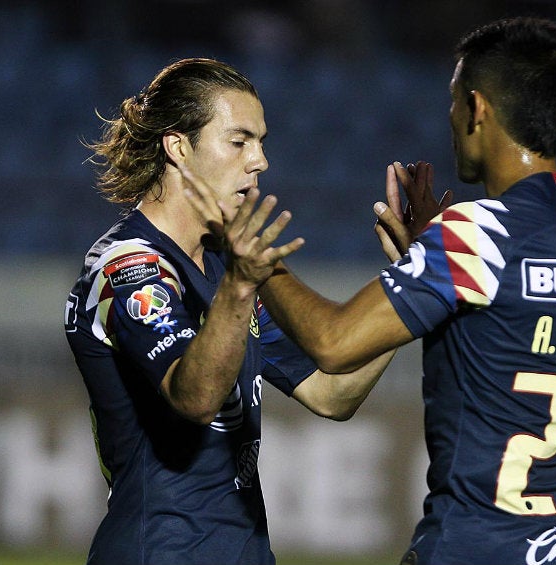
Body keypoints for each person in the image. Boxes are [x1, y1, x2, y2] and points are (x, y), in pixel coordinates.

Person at [193, 16, 556, 565]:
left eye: (453, 102)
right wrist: (424, 259)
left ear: (476, 109)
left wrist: (255, 260)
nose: (449, 119)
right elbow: (510, 324)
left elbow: (333, 343)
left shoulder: (478, 235)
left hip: (475, 548)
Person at [63, 57, 395, 565]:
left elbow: (333, 395)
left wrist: (410, 287)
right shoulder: (128, 269)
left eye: (261, 143)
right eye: (239, 141)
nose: (259, 161)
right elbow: (193, 398)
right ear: (178, 148)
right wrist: (241, 287)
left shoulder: (225, 264)